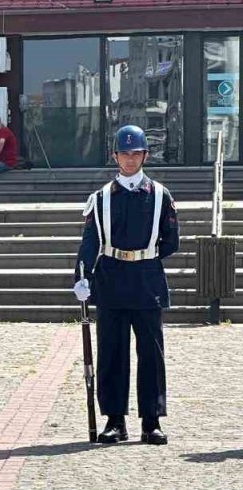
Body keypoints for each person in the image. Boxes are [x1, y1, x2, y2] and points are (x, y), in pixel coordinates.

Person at [72, 125, 178, 445]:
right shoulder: (101, 198)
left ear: (145, 155)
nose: (130, 160)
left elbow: (171, 241)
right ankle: (115, 420)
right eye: (124, 154)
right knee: (112, 353)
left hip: (146, 279)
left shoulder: (160, 195)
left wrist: (145, 255)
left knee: (151, 354)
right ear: (114, 156)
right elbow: (89, 243)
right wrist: (82, 278)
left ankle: (151, 420)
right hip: (112, 279)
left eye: (136, 154)